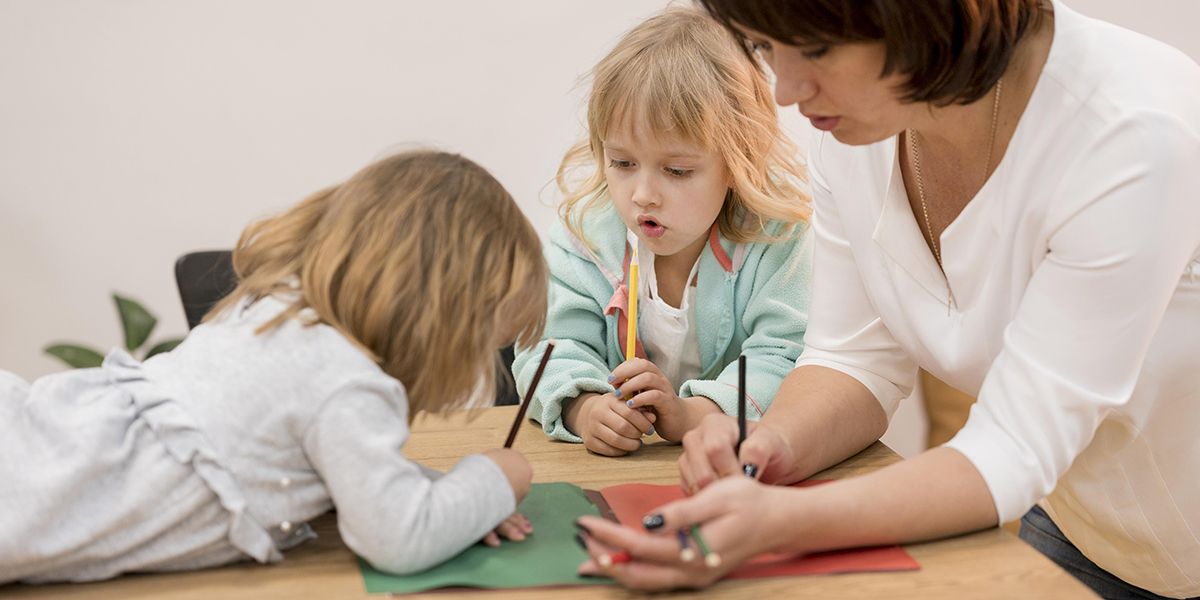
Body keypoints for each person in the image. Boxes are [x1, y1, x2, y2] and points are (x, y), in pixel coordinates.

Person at [572, 1, 1200, 598]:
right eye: (766, 47)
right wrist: (769, 447)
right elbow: (853, 358)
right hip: (1082, 523)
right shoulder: (858, 129)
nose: (786, 90)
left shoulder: (1131, 133)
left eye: (816, 50)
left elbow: (1015, 445)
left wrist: (780, 521)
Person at [0, 150, 547, 583]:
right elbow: (398, 539)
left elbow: (348, 472)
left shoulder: (278, 307)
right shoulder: (344, 382)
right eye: (482, 343)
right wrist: (496, 478)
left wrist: (458, 500)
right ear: (440, 317)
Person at [512, 7, 814, 456]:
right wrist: (585, 408)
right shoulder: (583, 236)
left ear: (739, 161)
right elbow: (547, 347)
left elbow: (784, 358)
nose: (642, 195)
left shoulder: (777, 240)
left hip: (734, 466)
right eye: (622, 163)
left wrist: (694, 416)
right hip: (614, 472)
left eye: (676, 170)